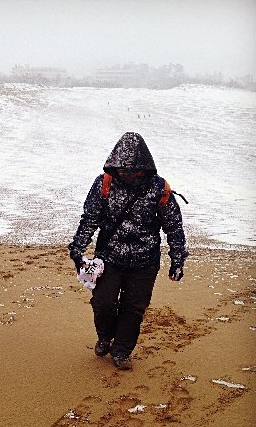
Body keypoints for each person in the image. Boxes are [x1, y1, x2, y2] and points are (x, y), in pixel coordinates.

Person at [68, 132, 188, 370]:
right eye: (123, 170)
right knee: (102, 302)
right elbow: (90, 218)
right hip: (109, 257)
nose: (128, 174)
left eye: (134, 171)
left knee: (133, 309)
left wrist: (177, 260)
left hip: (145, 261)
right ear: (115, 165)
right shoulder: (104, 183)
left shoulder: (159, 188)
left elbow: (173, 226)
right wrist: (78, 247)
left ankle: (121, 351)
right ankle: (105, 337)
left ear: (145, 167)